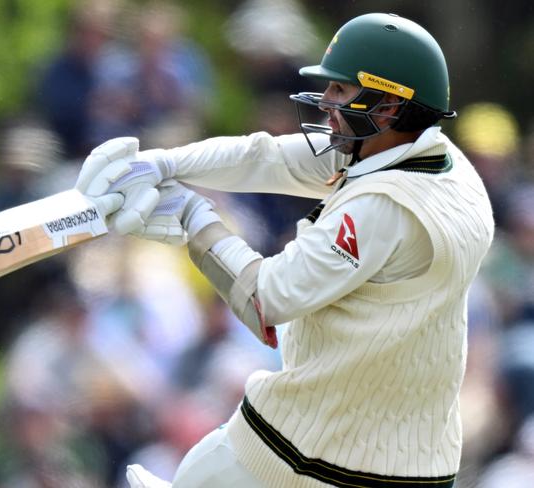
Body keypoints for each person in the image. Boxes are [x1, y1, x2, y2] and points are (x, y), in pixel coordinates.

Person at [74, 13, 495, 488]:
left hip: (319, 448)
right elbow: (267, 157)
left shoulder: (383, 207)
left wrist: (193, 217)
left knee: (200, 470)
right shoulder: (439, 163)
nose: (327, 103)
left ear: (389, 107)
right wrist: (162, 162)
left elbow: (267, 301)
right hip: (417, 460)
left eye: (341, 91)